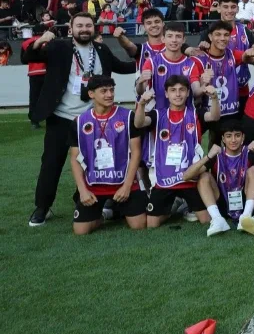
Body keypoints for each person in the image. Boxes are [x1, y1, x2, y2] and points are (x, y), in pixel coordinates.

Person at [27, 14, 135, 227]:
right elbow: (30, 57)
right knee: (51, 162)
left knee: (93, 162)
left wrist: (148, 60)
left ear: (94, 28)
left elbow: (122, 67)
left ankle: (83, 200)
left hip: (91, 120)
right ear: (71, 27)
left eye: (88, 25)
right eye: (80, 26)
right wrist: (40, 40)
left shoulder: (102, 50)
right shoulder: (58, 47)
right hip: (62, 116)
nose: (84, 29)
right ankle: (43, 207)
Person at [135, 74, 222, 229]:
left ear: (188, 93)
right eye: (173, 90)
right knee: (151, 225)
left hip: (190, 177)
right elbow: (139, 122)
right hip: (164, 179)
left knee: (205, 220)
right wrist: (141, 104)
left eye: (182, 90)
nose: (178, 94)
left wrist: (214, 98)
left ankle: (184, 204)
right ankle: (171, 207)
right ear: (166, 94)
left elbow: (214, 117)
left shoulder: (196, 113)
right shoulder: (158, 114)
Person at [69, 75, 146, 235]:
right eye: (103, 91)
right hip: (93, 186)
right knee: (80, 231)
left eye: (111, 90)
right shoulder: (79, 122)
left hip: (123, 183)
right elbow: (75, 159)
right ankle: (103, 213)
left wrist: (126, 187)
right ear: (91, 94)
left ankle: (117, 208)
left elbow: (136, 153)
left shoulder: (127, 116)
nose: (109, 94)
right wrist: (82, 190)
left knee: (139, 225)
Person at [187, 120, 254, 236]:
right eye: (229, 136)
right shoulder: (217, 155)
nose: (233, 140)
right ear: (223, 139)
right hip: (222, 201)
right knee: (204, 176)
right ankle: (217, 219)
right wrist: (208, 156)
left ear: (243, 137)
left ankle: (245, 216)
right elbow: (187, 176)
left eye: (237, 136)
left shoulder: (249, 153)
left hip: (245, 199)